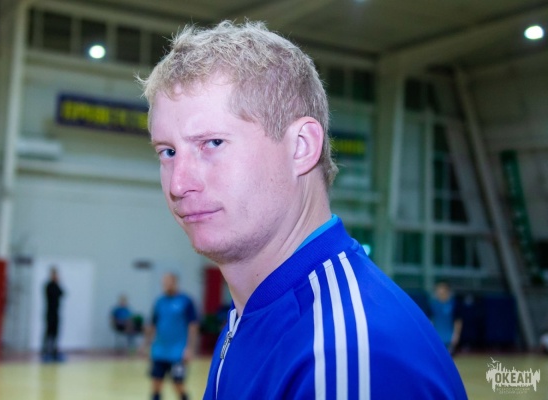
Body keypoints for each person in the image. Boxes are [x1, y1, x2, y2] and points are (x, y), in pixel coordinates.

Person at [140, 20, 467, 399]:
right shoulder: (255, 314)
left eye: (212, 143)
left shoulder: (345, 357)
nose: (178, 184)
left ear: (301, 147)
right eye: (168, 152)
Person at [144, 273, 198, 400]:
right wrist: (146, 344)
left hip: (178, 351)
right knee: (156, 383)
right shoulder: (159, 302)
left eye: (168, 282)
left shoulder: (185, 301)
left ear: (175, 282)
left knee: (178, 384)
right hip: (159, 350)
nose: (165, 285)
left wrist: (190, 348)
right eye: (164, 283)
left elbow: (193, 326)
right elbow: (153, 324)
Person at [429, 281, 463, 355]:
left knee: (448, 357)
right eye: (438, 289)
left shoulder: (453, 304)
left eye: (442, 289)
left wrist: (456, 335)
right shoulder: (433, 304)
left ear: (447, 291)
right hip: (437, 337)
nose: (440, 291)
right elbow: (430, 320)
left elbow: (458, 321)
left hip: (449, 337)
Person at [42, 266, 64, 362]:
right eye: (54, 275)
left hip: (56, 313)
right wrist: (55, 283)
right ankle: (45, 351)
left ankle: (54, 351)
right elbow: (53, 294)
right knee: (48, 332)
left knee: (56, 333)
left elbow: (62, 293)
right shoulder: (49, 286)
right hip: (49, 313)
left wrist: (58, 283)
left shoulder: (57, 285)